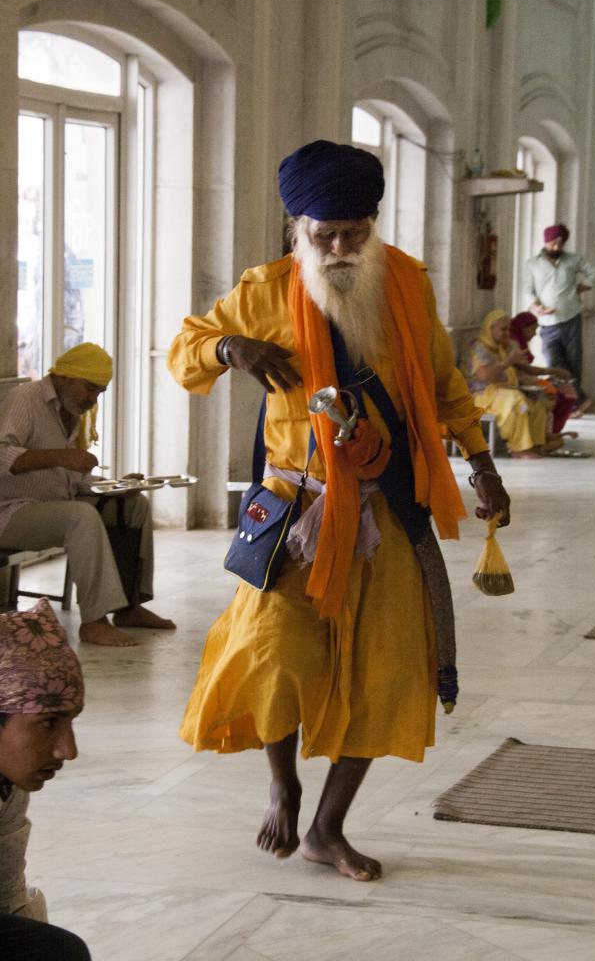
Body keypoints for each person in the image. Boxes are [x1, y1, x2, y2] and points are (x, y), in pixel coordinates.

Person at [167, 139, 511, 882]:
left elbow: (447, 385)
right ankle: (283, 782)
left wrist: (481, 463)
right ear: (298, 225)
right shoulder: (264, 289)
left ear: (374, 223)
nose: (340, 248)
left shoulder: (407, 286)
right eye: (324, 235)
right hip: (297, 513)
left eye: (354, 233)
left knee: (385, 673)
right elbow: (184, 350)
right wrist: (234, 348)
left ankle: (327, 827)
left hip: (389, 507)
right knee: (273, 658)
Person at [0, 342, 175, 647]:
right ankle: (94, 622)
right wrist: (60, 456)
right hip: (11, 512)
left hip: (53, 505)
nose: (92, 400)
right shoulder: (26, 399)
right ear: (66, 376)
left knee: (135, 505)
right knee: (81, 517)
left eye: (99, 393)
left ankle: (128, 607)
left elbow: (70, 478)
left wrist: (118, 484)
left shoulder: (70, 411)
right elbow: (2, 455)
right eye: (90, 389)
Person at [0, 597, 91, 960]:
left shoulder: (9, 785)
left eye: (70, 722)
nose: (67, 750)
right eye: (47, 723)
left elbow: (8, 896)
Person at [521, 223, 595, 418]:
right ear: (546, 241)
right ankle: (580, 399)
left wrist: (584, 287)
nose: (556, 248)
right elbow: (527, 290)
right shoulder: (532, 264)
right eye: (552, 243)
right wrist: (536, 306)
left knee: (574, 362)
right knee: (554, 361)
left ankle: (572, 405)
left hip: (571, 317)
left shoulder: (573, 260)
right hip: (548, 322)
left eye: (560, 244)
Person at [467, 310, 553, 459]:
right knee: (516, 400)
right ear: (490, 328)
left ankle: (535, 444)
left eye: (508, 329)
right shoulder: (479, 347)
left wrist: (523, 379)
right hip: (481, 395)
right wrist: (508, 362)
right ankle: (518, 448)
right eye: (503, 329)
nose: (507, 333)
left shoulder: (499, 347)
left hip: (499, 392)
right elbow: (484, 375)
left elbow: (513, 371)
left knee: (538, 400)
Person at [508, 311, 578, 435]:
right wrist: (553, 372)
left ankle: (549, 432)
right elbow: (526, 369)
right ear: (523, 327)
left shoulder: (520, 340)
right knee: (556, 392)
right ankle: (545, 433)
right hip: (518, 381)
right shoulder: (513, 342)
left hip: (527, 379)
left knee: (567, 392)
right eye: (533, 329)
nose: (535, 334)